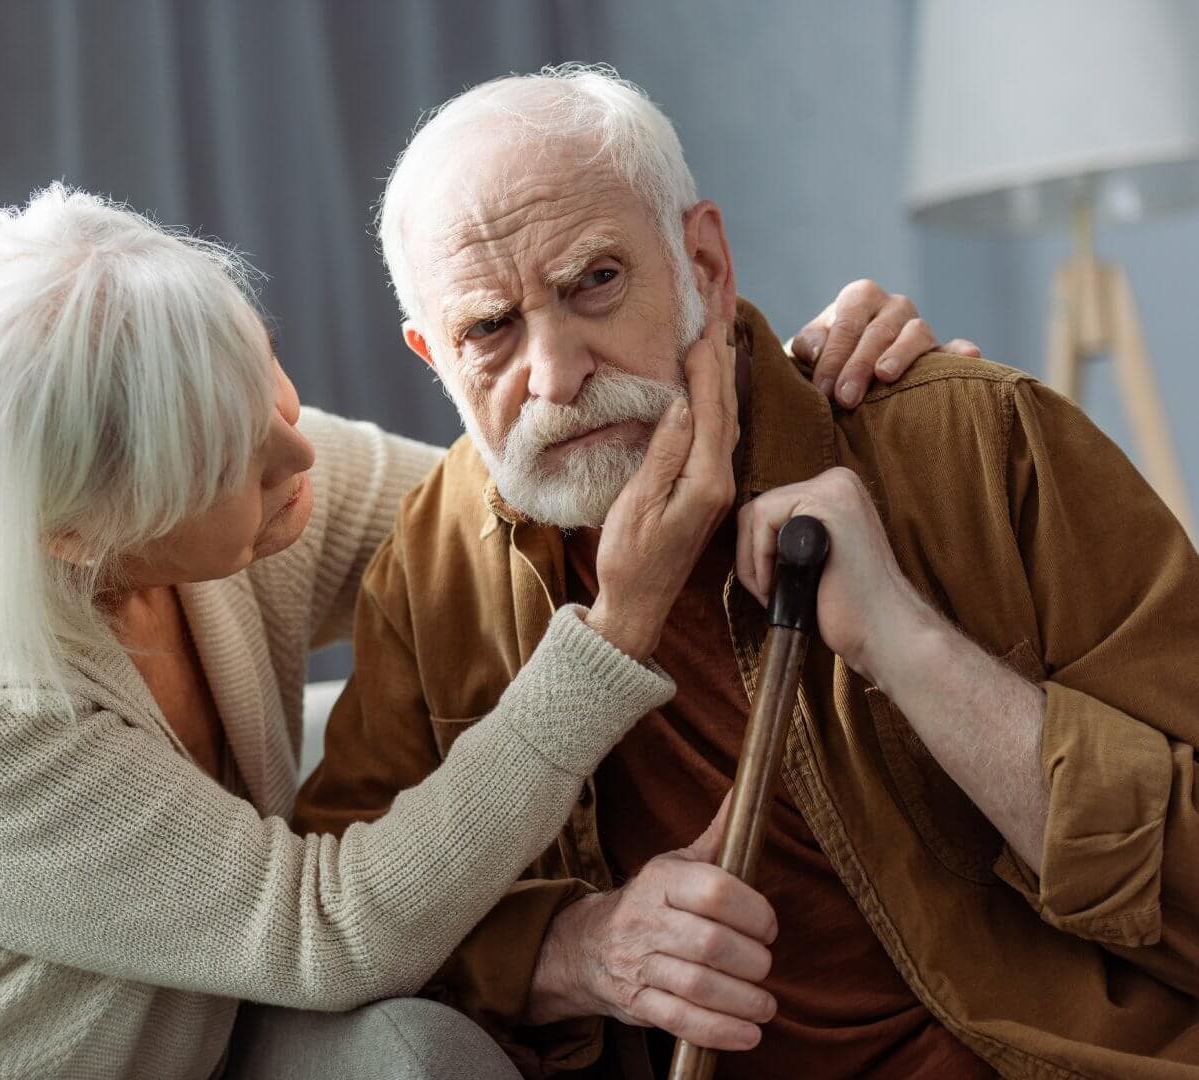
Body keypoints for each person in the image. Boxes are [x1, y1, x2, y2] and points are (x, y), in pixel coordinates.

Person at [0, 181, 965, 1079]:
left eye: (270, 389)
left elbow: (507, 515)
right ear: (82, 537)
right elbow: (326, 931)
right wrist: (619, 622)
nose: (302, 454)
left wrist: (799, 397)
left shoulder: (183, 459)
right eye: (241, 467)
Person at [293, 64, 1199, 1079]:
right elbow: (345, 924)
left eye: (593, 281)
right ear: (432, 357)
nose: (555, 373)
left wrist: (909, 644)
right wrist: (573, 950)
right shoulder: (434, 563)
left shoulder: (978, 440)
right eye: (487, 330)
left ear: (705, 264)